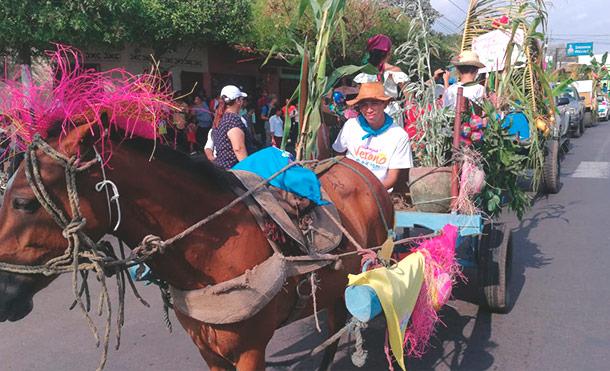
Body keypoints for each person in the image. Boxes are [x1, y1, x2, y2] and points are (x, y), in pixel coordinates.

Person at [332, 82, 413, 190]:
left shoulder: (399, 135)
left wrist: (371, 192)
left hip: (378, 191)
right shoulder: (351, 125)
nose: (369, 109)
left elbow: (392, 177)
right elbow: (338, 155)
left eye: (374, 103)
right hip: (348, 188)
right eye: (364, 104)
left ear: (384, 104)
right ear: (359, 107)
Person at [354, 34, 410, 126]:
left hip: (369, 112)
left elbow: (359, 97)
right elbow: (409, 97)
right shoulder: (395, 71)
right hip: (391, 111)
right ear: (388, 52)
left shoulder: (364, 73)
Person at [211, 85, 255, 169]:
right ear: (238, 101)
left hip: (221, 166)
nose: (242, 102)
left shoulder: (220, 118)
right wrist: (248, 170)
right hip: (233, 169)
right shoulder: (233, 119)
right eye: (241, 99)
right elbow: (238, 148)